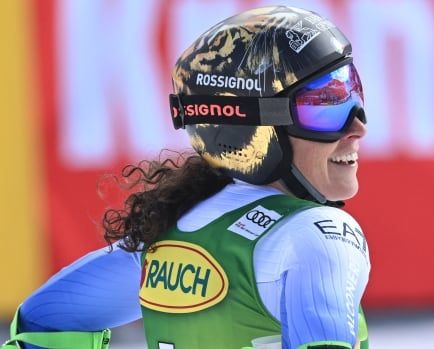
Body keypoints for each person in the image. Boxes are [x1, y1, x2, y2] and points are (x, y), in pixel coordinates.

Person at [2, 5, 370, 349]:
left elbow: (41, 322)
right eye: (323, 106)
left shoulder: (167, 238)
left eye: (351, 90)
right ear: (256, 129)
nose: (358, 126)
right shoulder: (320, 233)